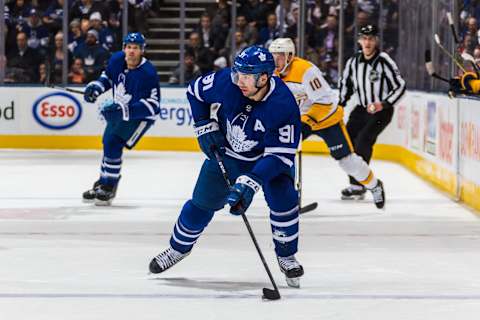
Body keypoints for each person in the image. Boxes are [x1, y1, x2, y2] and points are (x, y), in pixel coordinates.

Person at [149, 46, 305, 288]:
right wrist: (204, 125)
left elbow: (280, 156)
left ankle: (286, 255)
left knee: (284, 199)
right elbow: (195, 92)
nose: (238, 80)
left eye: (246, 76)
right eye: (237, 73)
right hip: (229, 154)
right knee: (200, 204)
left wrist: (250, 182)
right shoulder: (227, 82)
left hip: (267, 159)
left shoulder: (283, 105)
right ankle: (177, 249)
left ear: (263, 78)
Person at [269, 38, 386, 209]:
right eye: (272, 56)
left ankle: (375, 185)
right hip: (300, 119)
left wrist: (308, 122)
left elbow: (326, 102)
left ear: (290, 56)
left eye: (279, 56)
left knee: (347, 161)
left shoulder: (306, 71)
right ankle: (289, 197)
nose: (275, 61)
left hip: (327, 119)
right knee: (284, 152)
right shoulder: (272, 74)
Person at [82, 32, 160, 205]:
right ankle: (103, 182)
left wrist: (123, 111)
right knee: (107, 142)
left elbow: (153, 105)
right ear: (124, 48)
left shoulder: (148, 73)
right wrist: (96, 87)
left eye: (136, 48)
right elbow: (107, 77)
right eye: (129, 47)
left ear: (142, 50)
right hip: (121, 111)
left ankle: (109, 186)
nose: (132, 51)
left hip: (141, 116)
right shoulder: (117, 60)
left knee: (114, 143)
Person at [338, 25, 406, 201]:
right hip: (361, 109)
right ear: (359, 40)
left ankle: (359, 184)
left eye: (371, 39)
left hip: (381, 111)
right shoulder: (353, 62)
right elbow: (346, 86)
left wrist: (384, 104)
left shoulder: (384, 60)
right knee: (347, 141)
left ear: (376, 40)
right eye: (364, 38)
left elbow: (400, 86)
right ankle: (357, 183)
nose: (367, 42)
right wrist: (339, 105)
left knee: (363, 141)